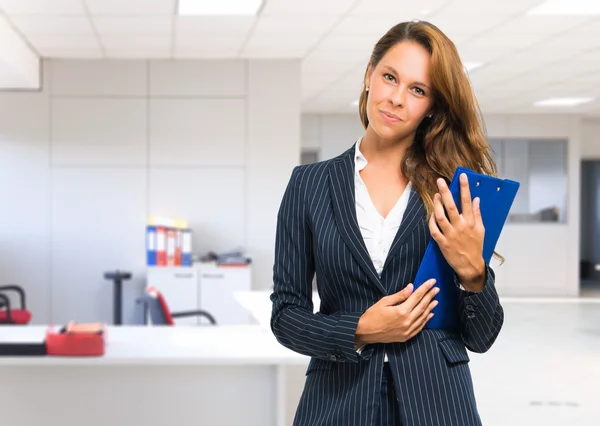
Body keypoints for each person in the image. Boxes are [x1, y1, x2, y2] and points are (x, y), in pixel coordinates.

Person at [270, 20, 503, 426]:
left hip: (438, 404)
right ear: (368, 76)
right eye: (389, 78)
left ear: (432, 105)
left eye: (417, 90)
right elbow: (285, 316)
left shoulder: (455, 189)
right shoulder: (307, 184)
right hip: (338, 403)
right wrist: (359, 328)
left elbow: (482, 337)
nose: (396, 98)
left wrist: (473, 273)